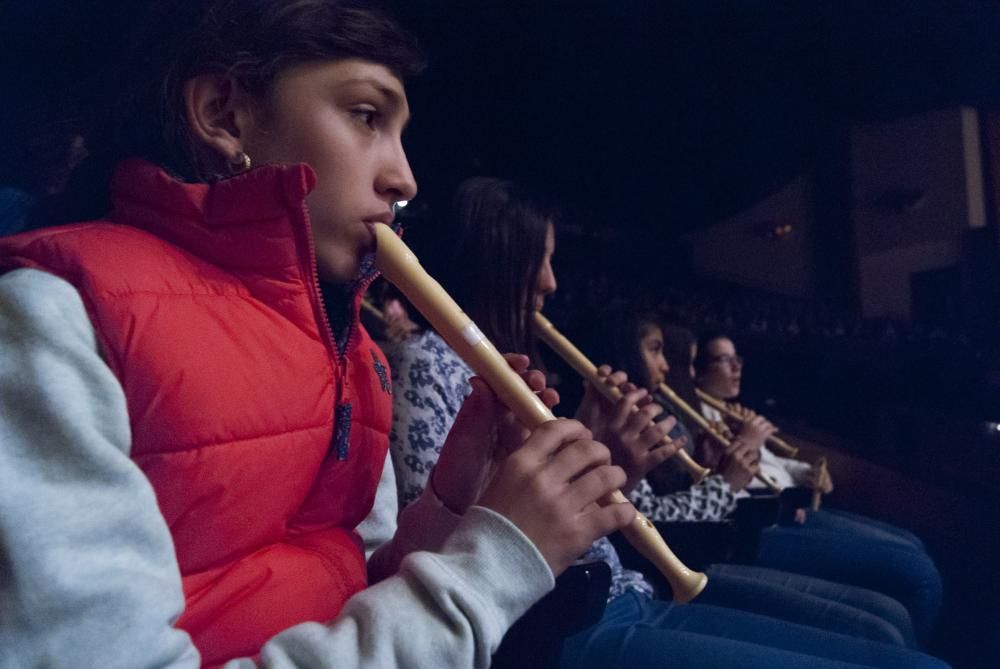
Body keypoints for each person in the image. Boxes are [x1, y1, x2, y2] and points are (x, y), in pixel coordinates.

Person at [0, 3, 638, 667]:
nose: (405, 179)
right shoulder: (52, 320)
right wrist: (494, 567)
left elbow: (348, 594)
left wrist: (453, 505)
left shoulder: (350, 348)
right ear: (223, 113)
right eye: (367, 116)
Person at [382, 176, 950, 668]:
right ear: (499, 261)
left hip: (620, 590)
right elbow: (456, 544)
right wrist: (622, 465)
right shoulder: (425, 365)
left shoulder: (501, 365)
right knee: (894, 620)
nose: (552, 283)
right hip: (567, 620)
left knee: (890, 627)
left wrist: (608, 461)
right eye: (542, 260)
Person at [632, 327, 943, 646]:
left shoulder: (695, 415)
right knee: (909, 584)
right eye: (723, 361)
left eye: (737, 359)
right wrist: (732, 466)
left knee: (911, 551)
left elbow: (753, 472)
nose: (668, 367)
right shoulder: (682, 417)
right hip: (741, 533)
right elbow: (670, 512)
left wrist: (804, 472)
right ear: (695, 372)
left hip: (758, 517)